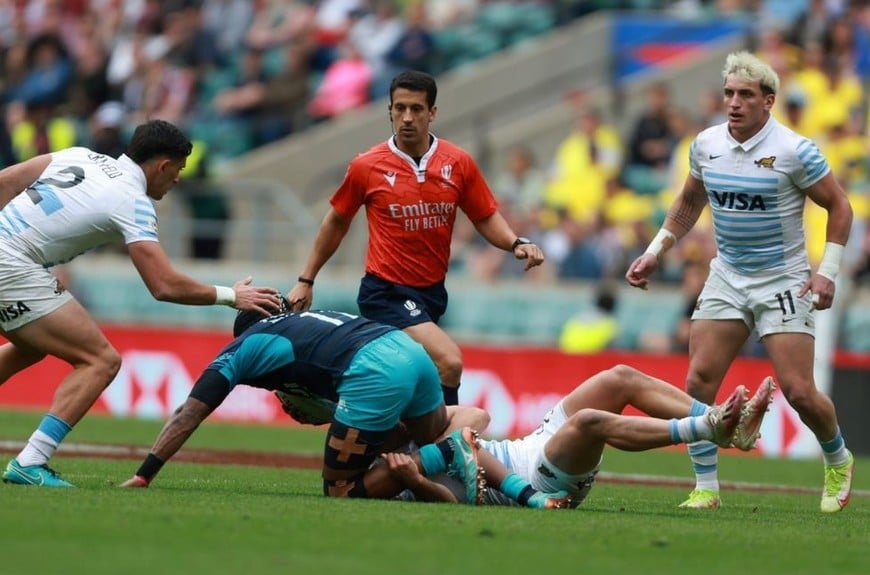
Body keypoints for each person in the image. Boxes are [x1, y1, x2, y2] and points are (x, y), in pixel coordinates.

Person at [625, 51, 855, 513]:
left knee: (799, 391)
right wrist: (654, 252)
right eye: (729, 93)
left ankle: (837, 457)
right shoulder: (706, 144)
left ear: (768, 101)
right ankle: (706, 487)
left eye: (745, 95)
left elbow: (840, 206)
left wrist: (827, 272)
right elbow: (688, 203)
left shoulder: (794, 150)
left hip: (783, 280)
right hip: (727, 276)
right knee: (698, 381)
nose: (734, 102)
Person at [0, 119, 281, 488]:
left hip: (10, 258)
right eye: (178, 169)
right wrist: (231, 296)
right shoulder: (133, 200)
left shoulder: (79, 155)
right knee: (101, 361)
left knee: (31, 345)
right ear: (162, 166)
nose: (178, 179)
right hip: (12, 266)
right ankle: (31, 460)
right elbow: (163, 286)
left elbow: (6, 181)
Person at [120, 302, 570, 509]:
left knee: (340, 491)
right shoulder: (303, 321)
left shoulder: (244, 347)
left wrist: (146, 472)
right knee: (435, 433)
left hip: (372, 371)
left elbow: (188, 413)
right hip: (409, 352)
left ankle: (447, 455)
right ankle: (523, 493)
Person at [287, 70, 544, 406]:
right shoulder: (367, 166)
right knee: (449, 362)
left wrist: (515, 242)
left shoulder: (458, 162)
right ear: (390, 110)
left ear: (432, 113)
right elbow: (336, 222)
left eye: (416, 109)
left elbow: (483, 215)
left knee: (408, 382)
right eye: (400, 108)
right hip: (386, 292)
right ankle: (450, 436)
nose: (407, 117)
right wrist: (306, 280)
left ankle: (348, 413)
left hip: (432, 293)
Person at [383, 365, 775, 507]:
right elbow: (451, 500)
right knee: (589, 421)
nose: (398, 422)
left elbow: (478, 417)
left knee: (619, 378)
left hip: (532, 443)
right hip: (538, 480)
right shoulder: (390, 470)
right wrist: (416, 480)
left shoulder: (418, 434)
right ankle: (710, 429)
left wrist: (435, 439)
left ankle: (724, 423)